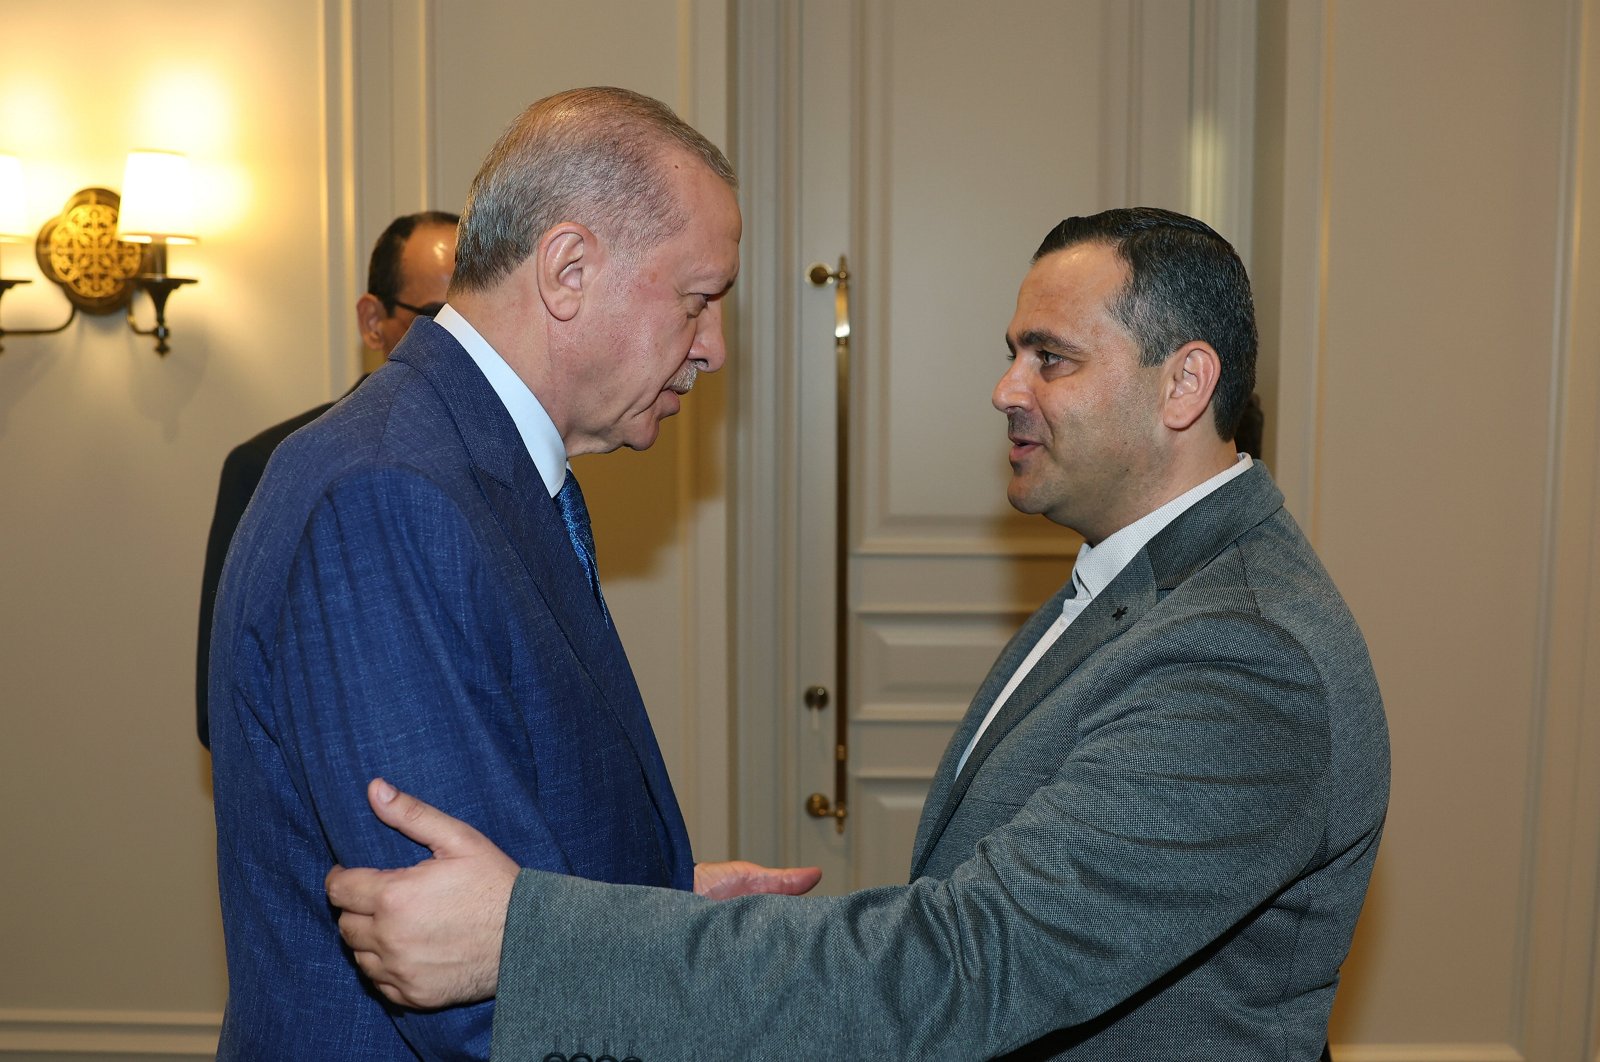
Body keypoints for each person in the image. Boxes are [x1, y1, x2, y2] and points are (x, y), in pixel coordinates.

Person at [326, 207, 1391, 1060]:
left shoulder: (1243, 658)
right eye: (1011, 352)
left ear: (1186, 384)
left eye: (1050, 359)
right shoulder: (1150, 582)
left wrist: (531, 938)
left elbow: (967, 966)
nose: (1004, 389)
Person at [209, 87, 814, 1061]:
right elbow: (467, 984)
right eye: (698, 299)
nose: (713, 348)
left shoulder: (470, 467)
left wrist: (657, 904)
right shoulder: (388, 493)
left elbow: (508, 872)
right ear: (568, 269)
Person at [195, 209, 458, 747]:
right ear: (373, 321)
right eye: (436, 318)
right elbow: (223, 705)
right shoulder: (269, 465)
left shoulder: (516, 471)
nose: (462, 346)